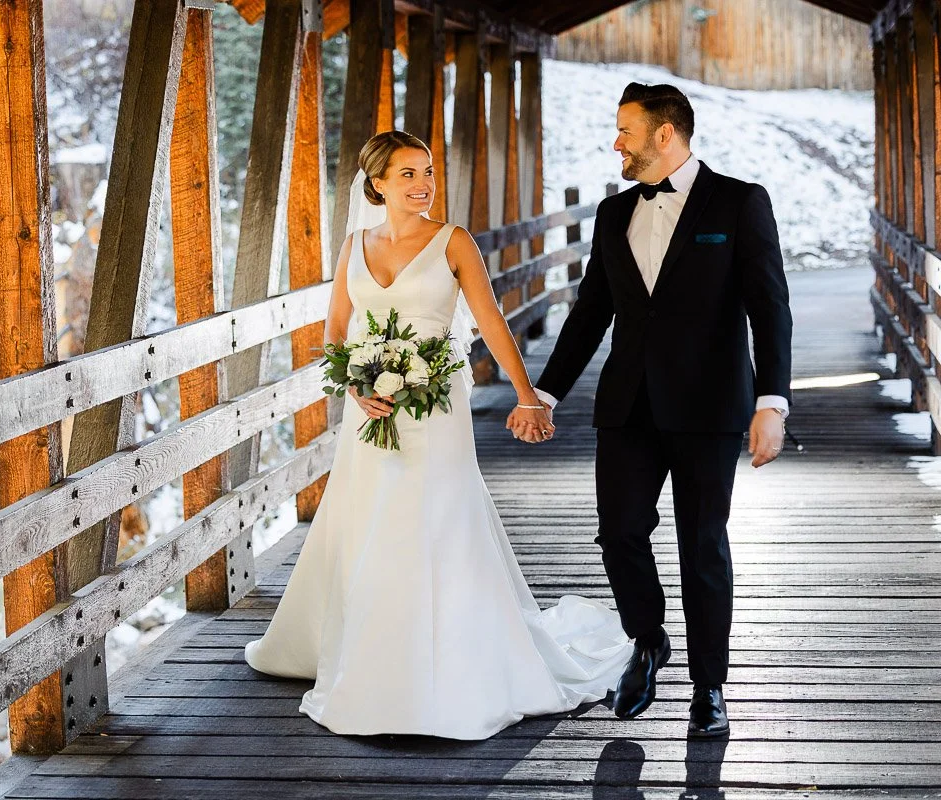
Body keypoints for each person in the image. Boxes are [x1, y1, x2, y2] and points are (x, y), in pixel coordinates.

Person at [243, 130, 632, 739]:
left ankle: (451, 656)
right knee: (372, 517)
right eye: (408, 175)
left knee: (439, 517)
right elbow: (338, 327)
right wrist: (355, 386)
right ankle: (372, 649)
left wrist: (528, 394)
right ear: (377, 185)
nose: (424, 185)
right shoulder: (354, 245)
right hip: (371, 409)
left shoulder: (454, 242)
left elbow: (490, 321)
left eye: (428, 173)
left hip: (437, 404)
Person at [530, 82, 793, 738]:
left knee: (702, 544)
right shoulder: (614, 213)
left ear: (665, 134)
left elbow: (770, 307)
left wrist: (773, 404)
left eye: (626, 130)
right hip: (627, 405)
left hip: (710, 406)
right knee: (619, 531)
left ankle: (710, 686)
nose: (616, 142)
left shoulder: (739, 202)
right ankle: (647, 641)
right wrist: (546, 391)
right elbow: (591, 310)